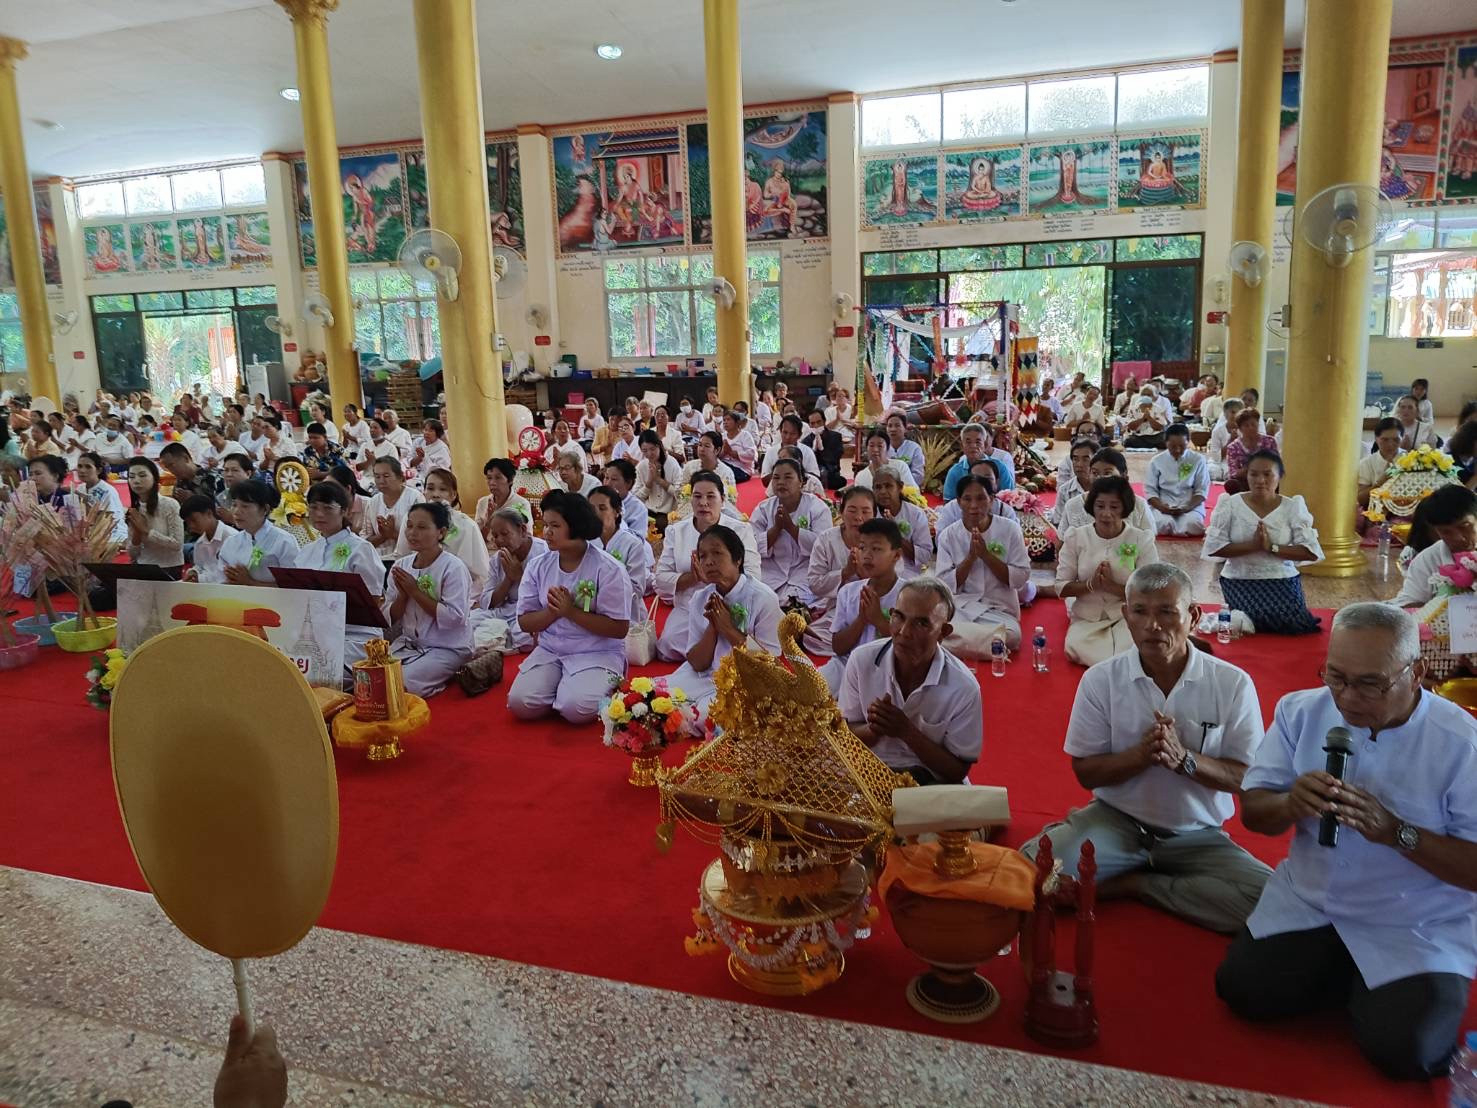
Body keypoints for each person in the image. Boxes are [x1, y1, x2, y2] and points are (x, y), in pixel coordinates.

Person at [1217, 603, 1477, 1080]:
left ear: (1416, 672)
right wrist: (1292, 803)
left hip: (1414, 920)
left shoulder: (1461, 744)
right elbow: (1256, 813)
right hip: (1312, 899)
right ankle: (1357, 977)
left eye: (1370, 684)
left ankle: (1378, 984)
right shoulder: (1301, 712)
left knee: (1406, 1051)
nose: (1347, 697)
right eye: (1335, 677)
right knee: (1244, 993)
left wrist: (1398, 833)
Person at [1023, 562, 1271, 932]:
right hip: (1116, 821)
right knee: (1035, 878)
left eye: (1167, 612)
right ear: (1126, 615)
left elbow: (1247, 775)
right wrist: (1140, 757)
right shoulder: (1101, 680)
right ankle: (1096, 848)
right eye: (1140, 611)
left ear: (1193, 615)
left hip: (1196, 836)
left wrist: (1185, 760)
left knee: (1275, 907)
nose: (1153, 625)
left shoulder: (1232, 684)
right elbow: (1085, 770)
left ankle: (1136, 884)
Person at [840, 577, 982, 786]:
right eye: (898, 617)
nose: (904, 632)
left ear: (943, 632)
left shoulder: (963, 687)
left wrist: (906, 732)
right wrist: (874, 729)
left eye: (921, 623)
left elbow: (957, 771)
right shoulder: (862, 660)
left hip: (931, 783)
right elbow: (843, 734)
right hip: (869, 773)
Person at [508, 490, 630, 723]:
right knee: (520, 703)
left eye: (555, 525)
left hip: (597, 652)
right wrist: (553, 612)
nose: (547, 532)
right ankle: (562, 687)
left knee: (575, 709)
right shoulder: (538, 566)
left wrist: (571, 612)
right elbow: (524, 621)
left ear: (575, 526)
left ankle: (577, 690)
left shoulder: (608, 568)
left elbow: (619, 628)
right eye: (545, 524)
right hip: (551, 649)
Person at [664, 523, 783, 733]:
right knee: (656, 699)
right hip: (705, 675)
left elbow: (770, 666)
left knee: (708, 718)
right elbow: (697, 663)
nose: (708, 561)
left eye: (717, 553)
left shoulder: (763, 598)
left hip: (747, 681)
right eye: (702, 556)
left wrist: (728, 629)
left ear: (737, 559)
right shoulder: (700, 598)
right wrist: (713, 627)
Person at [1204, 451, 1323, 634]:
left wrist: (1271, 548)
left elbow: (1309, 552)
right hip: (1240, 579)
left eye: (1267, 474)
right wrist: (1253, 546)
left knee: (1295, 624)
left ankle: (1240, 619)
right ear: (1247, 475)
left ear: (1279, 476)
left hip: (1282, 578)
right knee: (1256, 620)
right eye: (1254, 474)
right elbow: (1214, 548)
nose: (1260, 480)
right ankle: (1240, 619)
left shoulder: (1292, 507)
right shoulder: (1230, 504)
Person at [655, 471, 760, 661]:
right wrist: (693, 577)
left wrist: (718, 578)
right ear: (691, 500)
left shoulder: (741, 530)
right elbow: (661, 579)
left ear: (723, 499)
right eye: (697, 496)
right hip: (689, 608)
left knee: (750, 648)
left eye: (711, 496)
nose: (703, 503)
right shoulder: (676, 531)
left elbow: (753, 575)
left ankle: (715, 650)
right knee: (667, 647)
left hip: (732, 607)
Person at [1057, 475, 1159, 666]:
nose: (1106, 513)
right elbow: (1061, 587)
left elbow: (1151, 591)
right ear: (1091, 507)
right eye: (1100, 506)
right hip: (1087, 618)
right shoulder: (1076, 537)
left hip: (1126, 616)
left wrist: (1113, 587)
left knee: (1131, 651)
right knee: (1076, 648)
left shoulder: (1140, 539)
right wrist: (1090, 585)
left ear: (1125, 508)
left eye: (1114, 507)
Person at [376, 502, 475, 697]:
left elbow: (455, 618)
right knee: (372, 677)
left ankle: (438, 681)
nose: (413, 533)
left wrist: (415, 592)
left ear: (441, 532)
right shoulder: (401, 565)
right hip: (409, 643)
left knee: (400, 685)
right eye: (410, 526)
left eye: (422, 527)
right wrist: (403, 596)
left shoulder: (453, 567)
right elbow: (390, 617)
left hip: (447, 646)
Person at [294, 481, 385, 682]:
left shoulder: (361, 549)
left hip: (356, 633)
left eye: (328, 508)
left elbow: (373, 599)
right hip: (315, 630)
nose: (319, 514)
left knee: (319, 667)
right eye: (314, 507)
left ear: (344, 511)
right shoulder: (307, 551)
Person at [935, 475, 1029, 654]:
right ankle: (989, 645)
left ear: (992, 500)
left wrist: (986, 556)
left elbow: (1020, 578)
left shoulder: (1010, 529)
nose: (973, 505)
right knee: (936, 621)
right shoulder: (948, 535)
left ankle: (951, 643)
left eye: (981, 498)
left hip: (999, 609)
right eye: (967, 499)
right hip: (962, 608)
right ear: (958, 502)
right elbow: (944, 586)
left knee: (1012, 635)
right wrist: (970, 558)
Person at [819, 517, 904, 694]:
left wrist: (879, 621)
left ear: (896, 555)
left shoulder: (907, 595)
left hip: (888, 672)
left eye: (876, 549)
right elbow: (838, 648)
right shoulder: (849, 592)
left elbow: (910, 646)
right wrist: (861, 620)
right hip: (846, 665)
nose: (867, 555)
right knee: (807, 692)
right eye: (863, 547)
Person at [750, 458, 833, 605]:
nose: (781, 482)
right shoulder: (763, 508)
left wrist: (791, 528)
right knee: (757, 599)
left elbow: (824, 547)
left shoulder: (817, 507)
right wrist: (776, 529)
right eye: (776, 478)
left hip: (805, 571)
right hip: (771, 571)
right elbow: (751, 545)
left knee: (797, 603)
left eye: (788, 477)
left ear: (801, 481)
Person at [1391, 484, 1476, 609]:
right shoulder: (1427, 560)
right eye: (1446, 532)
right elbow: (1408, 603)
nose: (1459, 537)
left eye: (1465, 526)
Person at [477, 506, 547, 652]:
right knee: (472, 619)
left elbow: (546, 599)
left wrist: (521, 577)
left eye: (505, 534)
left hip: (533, 612)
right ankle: (499, 641)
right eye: (495, 536)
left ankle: (498, 642)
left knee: (524, 634)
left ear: (522, 530)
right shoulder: (497, 559)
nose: (500, 540)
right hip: (506, 610)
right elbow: (486, 602)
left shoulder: (543, 553)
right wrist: (509, 579)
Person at [418, 468, 490, 597]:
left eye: (442, 489)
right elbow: (404, 557)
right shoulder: (413, 521)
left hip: (459, 590)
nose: (435, 494)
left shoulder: (467, 525)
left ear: (453, 495)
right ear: (424, 492)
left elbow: (478, 573)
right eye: (430, 488)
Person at [588, 485, 651, 619]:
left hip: (627, 615)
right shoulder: (588, 542)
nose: (596, 514)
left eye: (602, 508)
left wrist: (603, 588)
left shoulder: (632, 544)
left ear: (617, 511)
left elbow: (637, 589)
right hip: (593, 613)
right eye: (592, 509)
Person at [218, 480, 297, 584]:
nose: (237, 511)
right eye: (234, 505)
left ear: (265, 509)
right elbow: (220, 579)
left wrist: (250, 582)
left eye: (245, 506)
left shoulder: (284, 541)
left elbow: (293, 586)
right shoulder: (231, 542)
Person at [1058, 448, 1155, 533]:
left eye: (1107, 473)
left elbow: (1148, 543)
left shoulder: (1139, 505)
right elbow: (1062, 545)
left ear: (1124, 476)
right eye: (1095, 473)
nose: (1100, 478)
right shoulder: (1073, 505)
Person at [1145, 424, 1211, 536]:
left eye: (1182, 446)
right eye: (1173, 446)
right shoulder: (1156, 461)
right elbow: (1150, 490)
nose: (1177, 450)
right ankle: (1178, 529)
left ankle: (1175, 528)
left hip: (1189, 504)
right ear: (1166, 443)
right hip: (1163, 503)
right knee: (1160, 523)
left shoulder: (1198, 459)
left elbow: (1202, 489)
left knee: (1193, 524)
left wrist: (1188, 507)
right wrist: (1162, 507)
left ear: (1188, 442)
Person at [123, 456, 185, 574]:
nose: (136, 480)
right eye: (131, 477)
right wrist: (137, 534)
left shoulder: (170, 505)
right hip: (144, 566)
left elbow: (177, 544)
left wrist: (146, 531)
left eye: (142, 475)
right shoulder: (134, 510)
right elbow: (132, 554)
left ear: (154, 478)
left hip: (169, 567)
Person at [870, 467, 932, 579]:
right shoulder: (869, 514)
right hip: (874, 574)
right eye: (878, 487)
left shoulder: (915, 514)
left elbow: (925, 556)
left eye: (888, 486)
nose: (883, 491)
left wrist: (895, 533)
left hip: (908, 575)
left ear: (900, 487)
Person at [474, 457, 531, 551]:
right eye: (489, 478)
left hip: (512, 553)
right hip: (487, 553)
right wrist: (488, 521)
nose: (492, 483)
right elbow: (477, 539)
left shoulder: (522, 503)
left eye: (498, 478)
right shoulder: (483, 502)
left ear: (510, 480)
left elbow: (527, 536)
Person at [363, 456, 416, 557]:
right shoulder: (373, 501)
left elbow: (421, 539)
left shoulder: (414, 498)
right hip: (378, 560)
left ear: (400, 477)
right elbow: (365, 541)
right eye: (377, 477)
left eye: (386, 476)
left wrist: (392, 534)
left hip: (407, 559)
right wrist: (383, 536)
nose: (381, 481)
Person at [180, 495, 237, 583]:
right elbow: (200, 566)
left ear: (209, 514)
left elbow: (230, 575)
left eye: (194, 520)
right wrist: (193, 572)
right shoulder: (199, 543)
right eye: (188, 523)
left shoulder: (232, 537)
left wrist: (200, 579)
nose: (191, 526)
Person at [75, 450, 127, 543]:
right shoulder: (80, 488)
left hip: (112, 534)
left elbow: (106, 519)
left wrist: (83, 500)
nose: (82, 470)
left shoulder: (107, 491)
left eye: (88, 467)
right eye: (80, 466)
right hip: (90, 532)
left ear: (98, 470)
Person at [1224, 408, 1279, 494]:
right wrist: (1251, 469)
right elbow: (1233, 472)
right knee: (1231, 484)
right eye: (1246, 425)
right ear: (1240, 428)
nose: (1251, 428)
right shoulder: (1233, 447)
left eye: (1253, 424)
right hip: (1245, 481)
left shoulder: (1270, 441)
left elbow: (1276, 464)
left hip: (1267, 478)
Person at [635, 429, 683, 526]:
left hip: (668, 513)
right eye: (645, 451)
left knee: (660, 524)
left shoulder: (672, 463)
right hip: (648, 510)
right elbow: (636, 497)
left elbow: (681, 495)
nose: (649, 454)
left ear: (659, 446)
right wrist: (648, 483)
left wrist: (660, 481)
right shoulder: (641, 466)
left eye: (652, 449)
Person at [1357, 417, 1402, 514]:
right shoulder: (1366, 463)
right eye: (1385, 440)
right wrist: (1380, 483)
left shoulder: (1410, 460)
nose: (1390, 444)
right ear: (1376, 439)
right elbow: (1360, 500)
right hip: (1375, 513)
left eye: (1396, 440)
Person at [676, 431, 738, 502]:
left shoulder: (726, 472)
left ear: (717, 450)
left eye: (707, 446)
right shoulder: (690, 466)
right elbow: (680, 491)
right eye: (700, 445)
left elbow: (731, 499)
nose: (702, 449)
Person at [759, 414, 819, 484]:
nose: (788, 437)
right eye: (785, 432)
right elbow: (764, 481)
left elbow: (815, 477)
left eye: (792, 434)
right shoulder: (771, 452)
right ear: (780, 431)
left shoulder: (807, 451)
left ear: (799, 435)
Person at [600, 457, 648, 536]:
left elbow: (636, 541)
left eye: (614, 479)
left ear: (628, 483)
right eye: (606, 477)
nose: (607, 483)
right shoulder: (596, 501)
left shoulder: (638, 509)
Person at [803, 407, 845, 491]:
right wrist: (813, 450)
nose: (816, 426)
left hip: (831, 473)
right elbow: (807, 463)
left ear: (824, 421)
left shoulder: (835, 437)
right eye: (812, 423)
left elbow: (834, 459)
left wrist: (822, 449)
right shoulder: (806, 441)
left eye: (819, 422)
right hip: (813, 475)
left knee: (840, 481)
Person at [883, 412, 925, 488]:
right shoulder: (882, 448)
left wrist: (898, 484)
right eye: (890, 426)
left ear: (905, 429)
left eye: (897, 425)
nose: (893, 429)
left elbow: (919, 476)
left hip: (908, 489)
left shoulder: (914, 448)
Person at [719, 410, 758, 482]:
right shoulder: (722, 436)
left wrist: (731, 452)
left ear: (737, 422)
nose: (725, 422)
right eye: (724, 420)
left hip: (742, 469)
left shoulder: (745, 435)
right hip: (724, 465)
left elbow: (751, 455)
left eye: (728, 419)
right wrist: (723, 452)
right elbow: (717, 455)